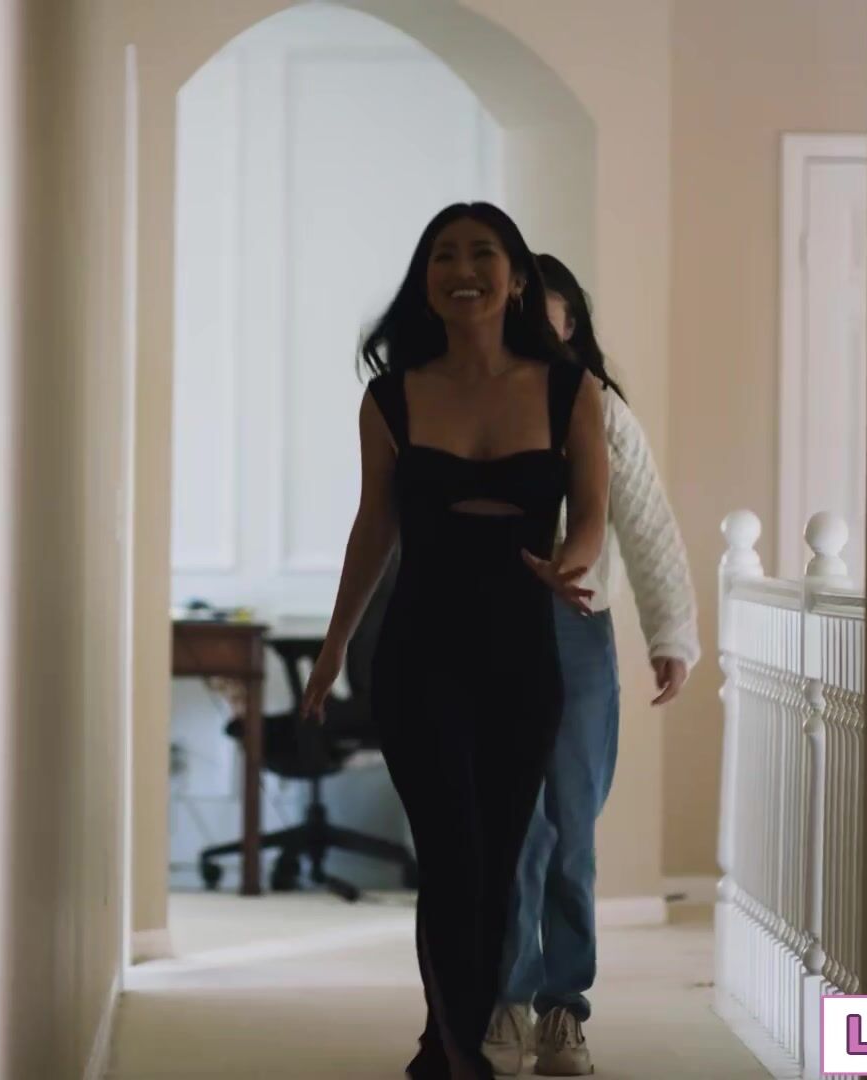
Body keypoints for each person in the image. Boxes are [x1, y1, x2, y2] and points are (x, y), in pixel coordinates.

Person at [300, 204, 609, 1080]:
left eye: (482, 253)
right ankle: (456, 1052)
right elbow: (374, 527)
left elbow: (591, 513)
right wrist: (333, 646)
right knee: (451, 856)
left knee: (501, 858)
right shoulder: (391, 396)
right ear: (425, 279)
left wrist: (571, 565)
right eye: (443, 255)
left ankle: (448, 1039)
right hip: (419, 652)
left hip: (523, 653)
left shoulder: (569, 390)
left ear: (516, 279)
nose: (462, 269)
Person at [482, 253, 701, 1076]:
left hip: (576, 631)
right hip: (485, 635)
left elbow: (647, 527)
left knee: (571, 829)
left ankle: (563, 1011)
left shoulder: (600, 409)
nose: (536, 329)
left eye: (551, 315)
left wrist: (672, 634)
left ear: (573, 326)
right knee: (515, 831)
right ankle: (505, 998)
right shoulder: (476, 399)